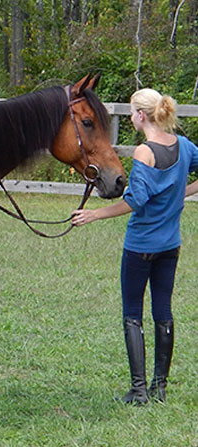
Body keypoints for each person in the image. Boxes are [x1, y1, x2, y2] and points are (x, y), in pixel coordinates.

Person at [72, 88, 197, 405]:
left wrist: (95, 214)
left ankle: (139, 390)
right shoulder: (183, 146)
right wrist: (181, 191)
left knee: (133, 313)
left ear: (142, 115)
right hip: (171, 244)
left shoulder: (144, 152)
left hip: (141, 244)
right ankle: (160, 388)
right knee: (163, 312)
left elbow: (137, 201)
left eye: (131, 112)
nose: (129, 117)